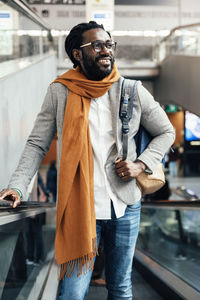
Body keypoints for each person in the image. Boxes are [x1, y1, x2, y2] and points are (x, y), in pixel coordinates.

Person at [0, 21, 175, 300]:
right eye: (97, 45)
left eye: (109, 44)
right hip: (81, 208)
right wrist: (18, 186)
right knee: (72, 293)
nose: (106, 50)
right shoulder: (60, 91)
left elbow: (166, 132)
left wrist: (140, 164)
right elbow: (37, 143)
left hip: (125, 207)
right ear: (77, 54)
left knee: (120, 288)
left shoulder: (130, 90)